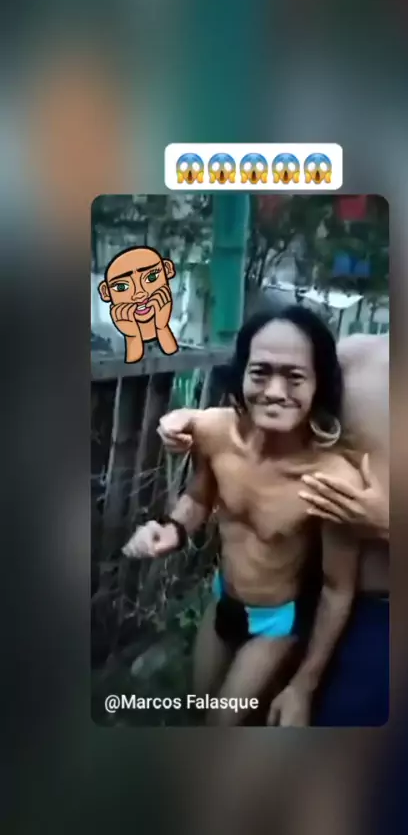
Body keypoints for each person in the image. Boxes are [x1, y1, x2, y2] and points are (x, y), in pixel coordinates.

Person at [123, 306, 364, 726]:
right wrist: (172, 530)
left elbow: (337, 588)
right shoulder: (215, 433)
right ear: (242, 374)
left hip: (276, 624)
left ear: (319, 384)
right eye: (260, 372)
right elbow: (199, 499)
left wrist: (303, 686)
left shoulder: (332, 480)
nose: (274, 391)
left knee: (221, 725)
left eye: (294, 377)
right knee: (199, 708)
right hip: (222, 601)